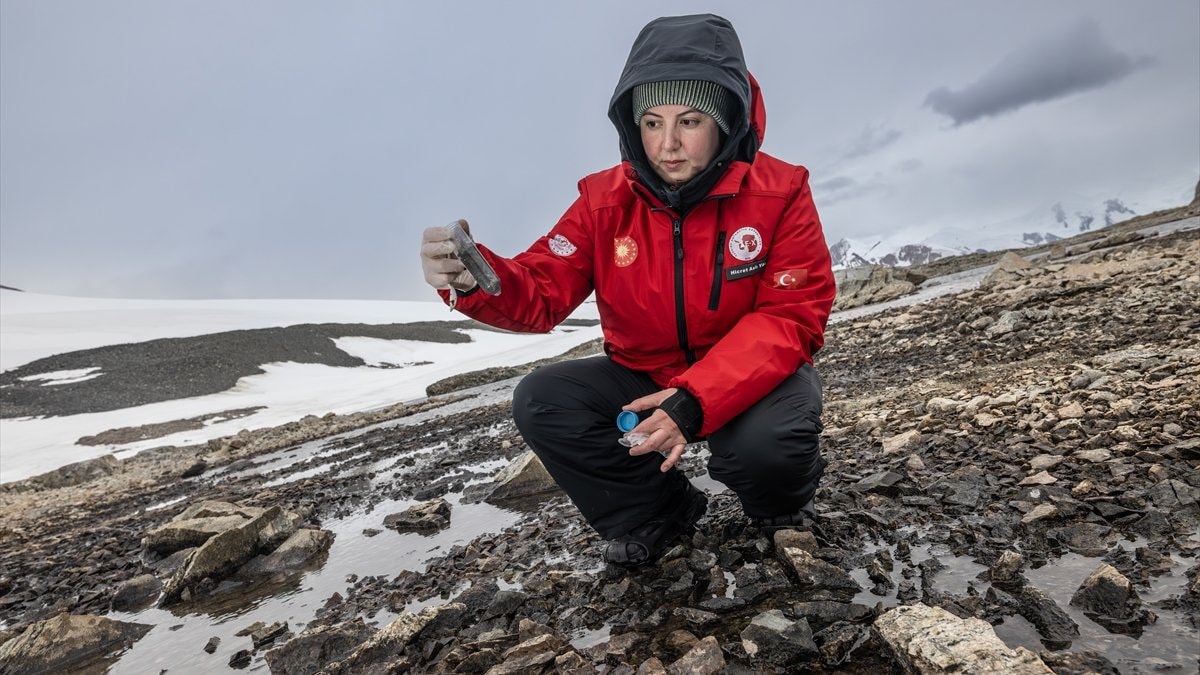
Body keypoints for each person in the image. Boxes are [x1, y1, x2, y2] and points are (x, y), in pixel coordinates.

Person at [419, 14, 835, 568]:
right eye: (652, 122)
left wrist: (694, 400)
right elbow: (541, 290)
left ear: (726, 120)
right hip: (645, 373)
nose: (667, 145)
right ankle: (656, 512)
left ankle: (777, 509)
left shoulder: (780, 191)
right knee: (543, 399)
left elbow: (791, 317)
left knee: (767, 448)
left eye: (689, 121)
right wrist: (473, 279)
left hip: (750, 375)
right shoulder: (602, 201)